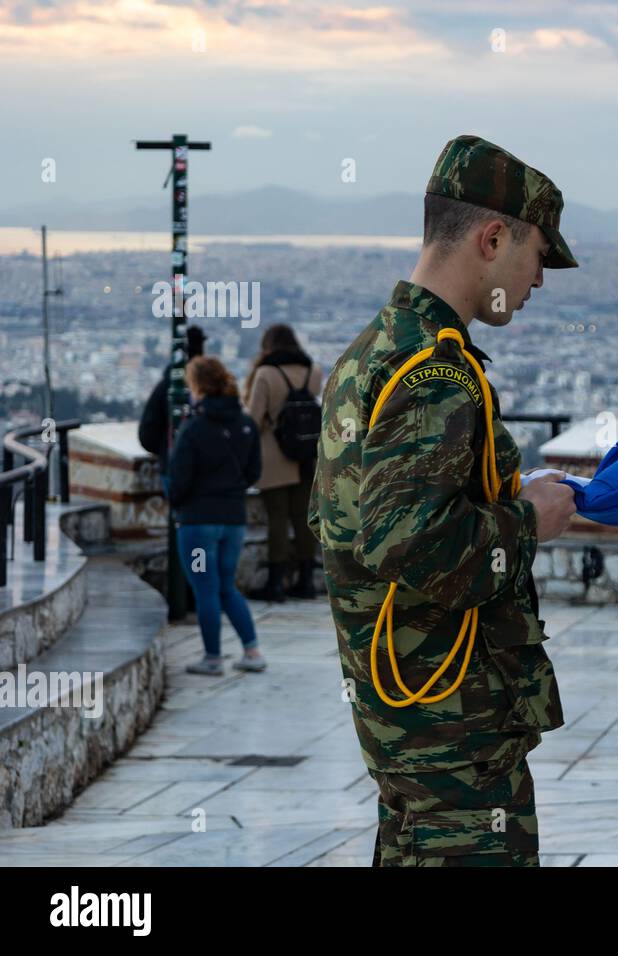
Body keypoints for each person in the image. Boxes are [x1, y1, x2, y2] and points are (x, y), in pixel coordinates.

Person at [309, 135, 579, 867]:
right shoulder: (435, 372)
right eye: (537, 257)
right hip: (449, 729)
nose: (539, 282)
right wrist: (532, 519)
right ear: (493, 238)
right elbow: (409, 542)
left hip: (406, 718)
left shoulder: (374, 351)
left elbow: (377, 520)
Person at [168, 355, 265, 676]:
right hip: (233, 521)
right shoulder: (246, 424)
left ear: (198, 387)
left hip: (197, 523)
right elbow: (255, 471)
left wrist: (176, 499)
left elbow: (179, 479)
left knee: (205, 589)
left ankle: (212, 658)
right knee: (226, 586)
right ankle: (252, 651)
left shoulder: (194, 429)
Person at [242, 324, 324, 602]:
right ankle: (306, 580)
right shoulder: (312, 371)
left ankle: (275, 583)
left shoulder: (266, 374)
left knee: (277, 518)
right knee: (303, 519)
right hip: (306, 455)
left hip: (274, 456)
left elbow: (253, 419)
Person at [139, 325, 206, 499]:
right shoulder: (212, 387)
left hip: (172, 465)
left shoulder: (166, 385)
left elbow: (147, 432)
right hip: (209, 468)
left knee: (180, 517)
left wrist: (163, 450)